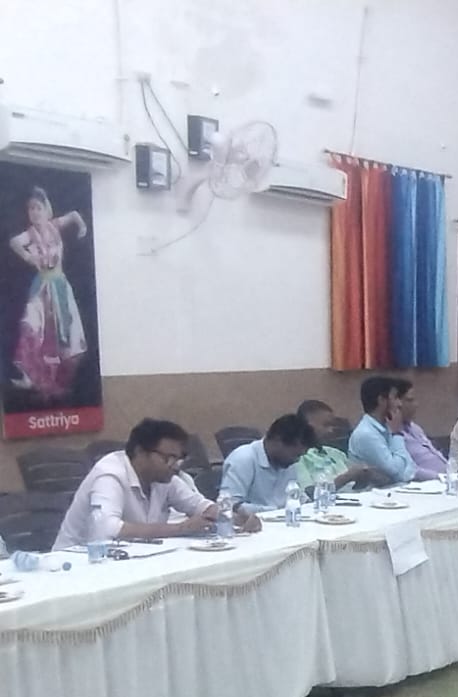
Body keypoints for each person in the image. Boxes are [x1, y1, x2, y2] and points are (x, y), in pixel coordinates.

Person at [54, 419, 221, 549]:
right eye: (168, 458)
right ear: (140, 451)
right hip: (75, 566)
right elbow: (106, 530)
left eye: (178, 459)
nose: (175, 466)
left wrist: (210, 515)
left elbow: (203, 506)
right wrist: (180, 528)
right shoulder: (109, 474)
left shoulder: (164, 477)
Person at [9, 186, 89, 399]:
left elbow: (74, 215)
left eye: (38, 208)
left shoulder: (54, 226)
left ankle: (57, 382)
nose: (35, 212)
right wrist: (29, 257)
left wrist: (82, 227)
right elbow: (14, 242)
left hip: (60, 287)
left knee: (62, 335)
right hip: (42, 286)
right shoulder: (30, 235)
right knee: (30, 325)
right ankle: (29, 376)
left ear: (46, 209)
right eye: (31, 208)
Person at [220, 414, 316, 515]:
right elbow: (230, 505)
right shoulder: (243, 458)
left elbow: (295, 495)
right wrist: (273, 511)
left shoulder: (287, 463)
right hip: (253, 522)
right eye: (295, 455)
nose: (297, 460)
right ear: (277, 440)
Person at [346, 376, 417, 486]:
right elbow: (396, 473)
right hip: (374, 494)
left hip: (399, 489)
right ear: (381, 400)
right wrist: (397, 434)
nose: (400, 404)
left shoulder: (388, 425)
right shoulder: (365, 434)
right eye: (395, 398)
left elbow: (411, 468)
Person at [295, 400, 374, 492]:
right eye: (326, 425)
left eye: (332, 425)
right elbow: (308, 493)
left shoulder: (336, 453)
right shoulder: (298, 459)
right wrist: (346, 478)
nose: (331, 430)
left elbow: (359, 478)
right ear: (307, 427)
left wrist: (366, 474)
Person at [395, 381, 446, 481]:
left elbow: (434, 453)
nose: (416, 405)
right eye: (410, 400)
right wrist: (438, 477)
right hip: (428, 483)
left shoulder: (415, 428)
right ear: (396, 403)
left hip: (447, 477)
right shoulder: (392, 436)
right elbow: (408, 469)